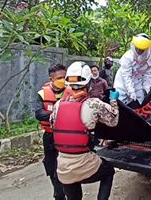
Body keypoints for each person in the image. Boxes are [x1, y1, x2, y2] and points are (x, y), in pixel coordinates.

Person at [50, 61, 119, 200]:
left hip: (63, 167)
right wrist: (113, 101)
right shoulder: (94, 104)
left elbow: (53, 125)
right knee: (108, 171)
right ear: (88, 84)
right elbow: (113, 121)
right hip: (84, 163)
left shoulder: (58, 105)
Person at [34, 64, 71, 200]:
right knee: (51, 167)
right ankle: (58, 194)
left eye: (64, 77)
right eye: (60, 77)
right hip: (50, 136)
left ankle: (70, 193)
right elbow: (39, 113)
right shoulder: (43, 94)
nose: (63, 80)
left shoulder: (71, 91)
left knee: (67, 166)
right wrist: (55, 116)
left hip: (66, 136)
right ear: (51, 78)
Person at [114, 33, 151, 104]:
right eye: (137, 49)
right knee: (119, 103)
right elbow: (126, 77)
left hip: (138, 83)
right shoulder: (127, 57)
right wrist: (131, 91)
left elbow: (148, 76)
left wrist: (147, 89)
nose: (139, 51)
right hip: (122, 83)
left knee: (140, 103)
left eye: (141, 50)